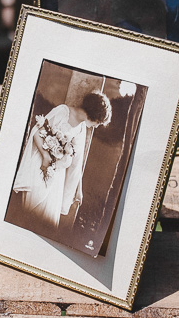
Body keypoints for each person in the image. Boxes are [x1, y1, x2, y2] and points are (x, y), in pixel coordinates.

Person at [12, 90, 112, 228]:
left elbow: (77, 162)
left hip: (57, 175)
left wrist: (79, 189)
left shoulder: (82, 129)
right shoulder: (62, 111)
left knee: (47, 219)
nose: (96, 126)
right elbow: (37, 131)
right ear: (95, 115)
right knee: (31, 211)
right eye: (99, 122)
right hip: (41, 164)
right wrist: (46, 156)